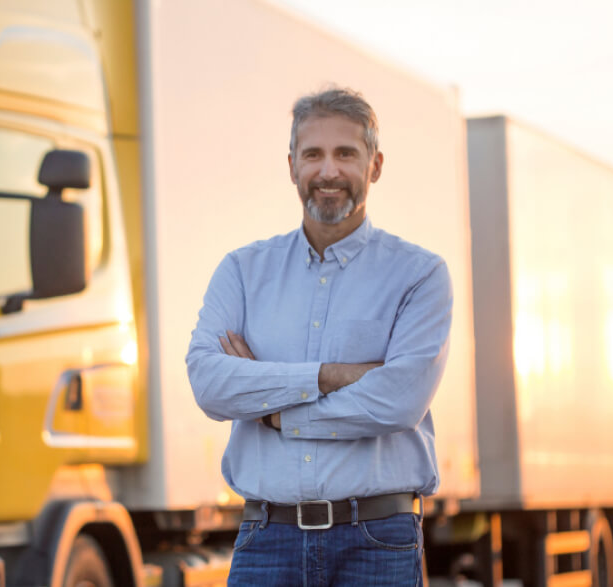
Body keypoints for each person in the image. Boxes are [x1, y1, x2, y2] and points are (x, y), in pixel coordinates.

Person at [185, 86, 452, 586]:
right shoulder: (243, 271)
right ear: (292, 166)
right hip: (267, 539)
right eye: (314, 154)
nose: (328, 171)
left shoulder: (418, 275)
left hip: (377, 540)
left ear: (374, 165)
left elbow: (396, 403)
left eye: (345, 153)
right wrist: (330, 376)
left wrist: (270, 406)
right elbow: (210, 383)